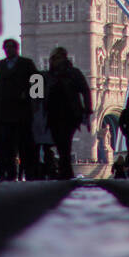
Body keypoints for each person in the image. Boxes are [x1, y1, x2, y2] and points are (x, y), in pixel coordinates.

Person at [0, 39, 39, 181]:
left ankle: (29, 173)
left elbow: (37, 80)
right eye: (6, 47)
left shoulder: (26, 63)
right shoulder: (0, 65)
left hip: (22, 111)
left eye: (11, 47)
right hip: (5, 112)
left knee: (25, 145)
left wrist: (34, 99)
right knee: (6, 146)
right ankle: (9, 173)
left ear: (16, 49)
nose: (8, 50)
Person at [43, 46, 91, 180]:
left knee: (64, 141)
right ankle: (65, 169)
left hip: (70, 113)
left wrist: (87, 110)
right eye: (53, 58)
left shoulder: (73, 73)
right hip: (53, 114)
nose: (54, 61)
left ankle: (65, 171)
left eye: (56, 58)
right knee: (60, 142)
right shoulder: (46, 75)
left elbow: (85, 91)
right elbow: (36, 94)